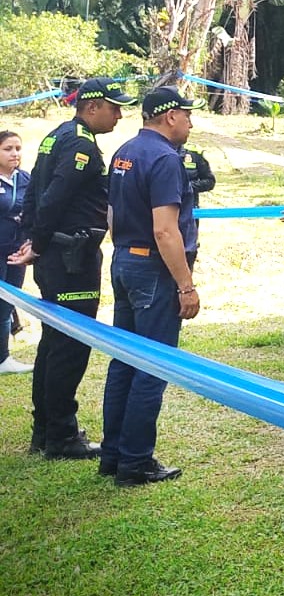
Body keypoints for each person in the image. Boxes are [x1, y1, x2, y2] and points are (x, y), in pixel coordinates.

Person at [11, 77, 135, 459]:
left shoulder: (57, 136)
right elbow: (53, 196)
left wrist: (33, 238)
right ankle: (62, 436)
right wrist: (40, 243)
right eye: (114, 107)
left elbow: (33, 192)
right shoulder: (81, 146)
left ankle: (46, 430)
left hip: (57, 253)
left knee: (53, 342)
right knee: (70, 345)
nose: (118, 115)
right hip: (71, 259)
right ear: (92, 107)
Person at [100, 86, 205, 486]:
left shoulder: (124, 151)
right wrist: (185, 286)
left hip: (126, 259)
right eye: (188, 115)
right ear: (170, 116)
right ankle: (136, 461)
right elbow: (165, 230)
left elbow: (112, 215)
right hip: (154, 269)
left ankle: (114, 455)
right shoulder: (164, 158)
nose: (191, 123)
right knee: (151, 366)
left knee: (124, 359)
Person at [0, 130, 33, 374]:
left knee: (7, 304)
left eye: (17, 149)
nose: (14, 154)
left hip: (17, 252)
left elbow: (34, 208)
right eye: (8, 149)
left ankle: (4, 358)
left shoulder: (25, 178)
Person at [180, 140, 215, 268]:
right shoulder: (154, 151)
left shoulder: (194, 153)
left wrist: (186, 187)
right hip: (160, 213)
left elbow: (209, 181)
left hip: (189, 214)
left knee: (188, 252)